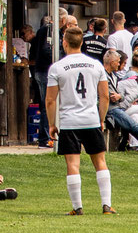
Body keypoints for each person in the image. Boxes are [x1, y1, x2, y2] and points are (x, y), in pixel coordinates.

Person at [46, 27, 113, 214]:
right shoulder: (96, 65)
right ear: (82, 43)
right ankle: (106, 204)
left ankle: (77, 207)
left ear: (64, 42)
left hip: (69, 122)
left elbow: (50, 99)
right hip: (91, 119)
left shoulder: (57, 68)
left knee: (72, 164)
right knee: (100, 162)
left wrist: (52, 124)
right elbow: (105, 96)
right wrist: (101, 118)